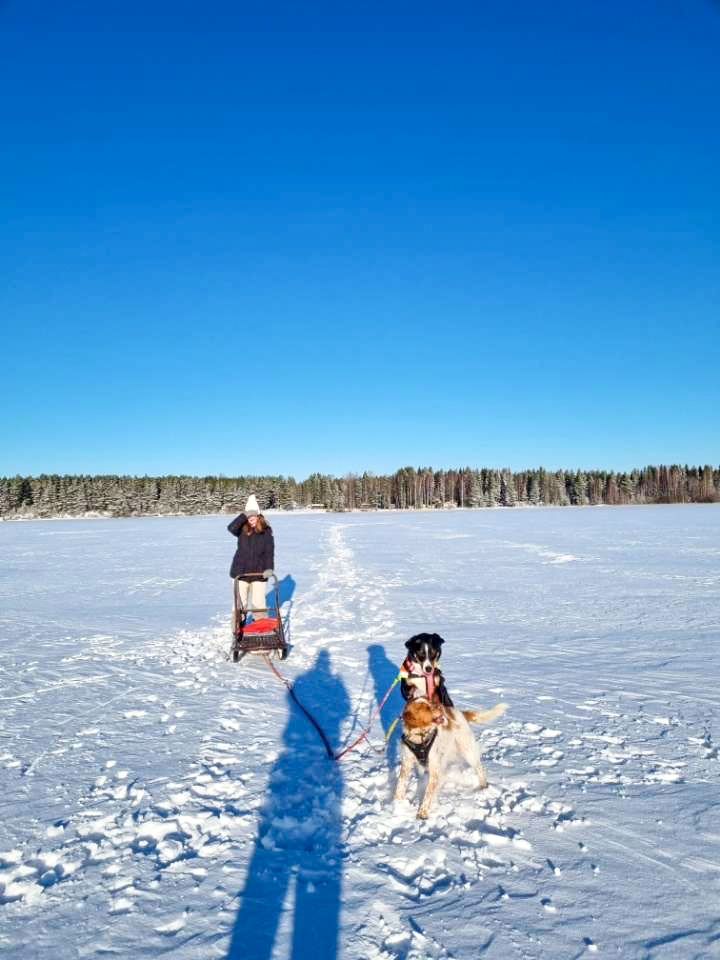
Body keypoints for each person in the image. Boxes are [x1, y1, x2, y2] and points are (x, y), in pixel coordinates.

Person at [227, 494, 275, 622]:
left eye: (253, 516)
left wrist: (269, 568)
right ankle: (237, 629)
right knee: (240, 603)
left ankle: (260, 628)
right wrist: (244, 515)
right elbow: (230, 528)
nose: (251, 519)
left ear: (259, 516)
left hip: (259, 573)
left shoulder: (266, 531)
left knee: (258, 604)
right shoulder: (241, 529)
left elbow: (269, 552)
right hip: (240, 573)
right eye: (248, 517)